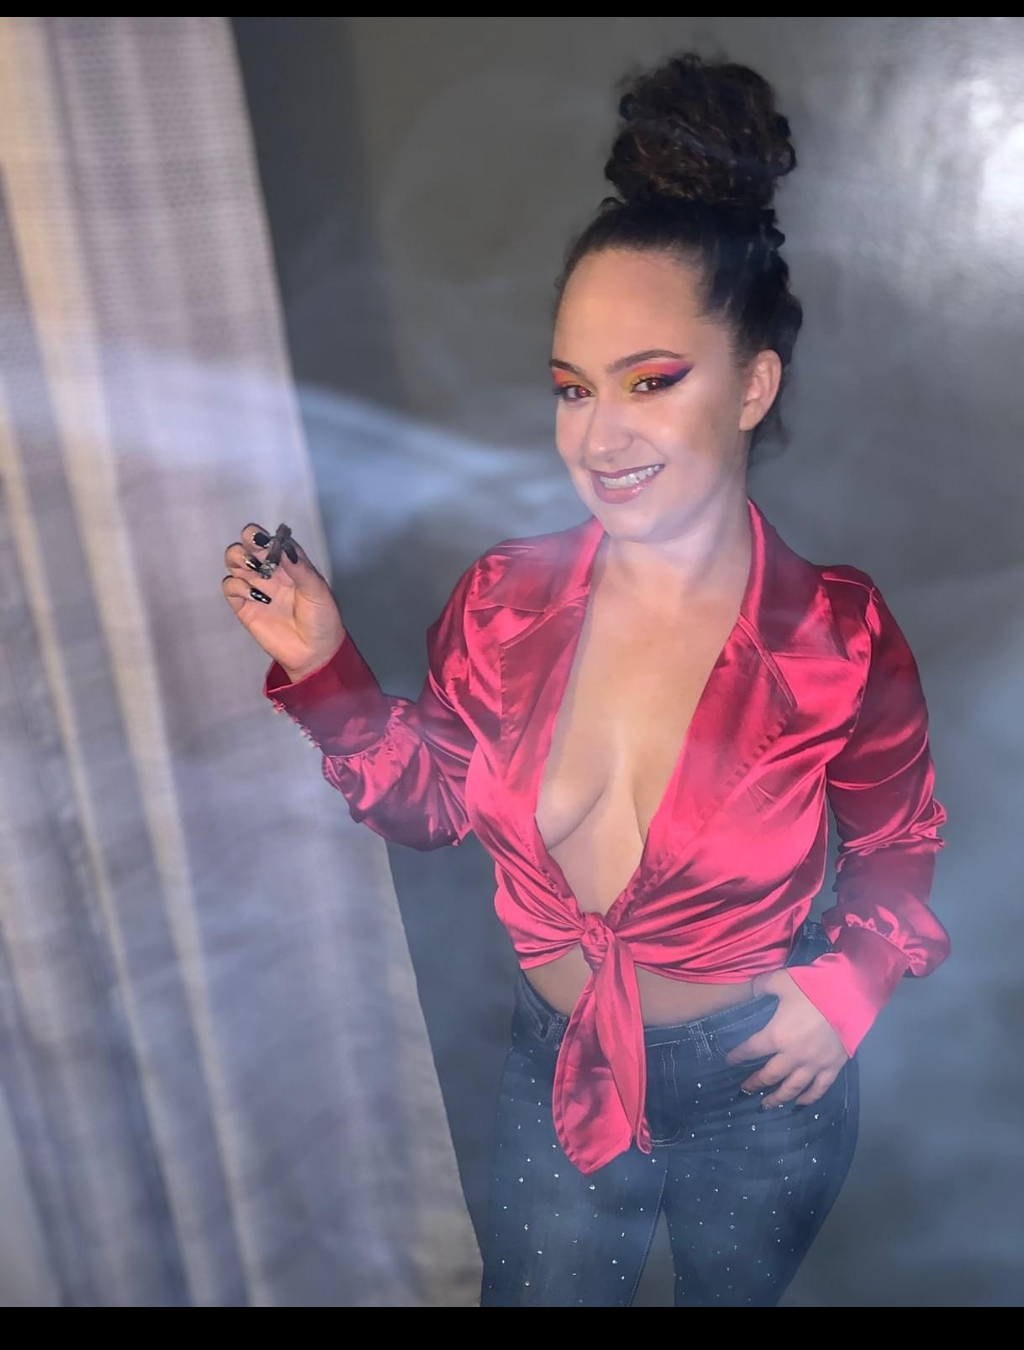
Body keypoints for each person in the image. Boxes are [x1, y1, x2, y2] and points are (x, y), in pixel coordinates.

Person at [222, 49, 950, 1307]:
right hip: (558, 1068)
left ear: (752, 384)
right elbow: (430, 805)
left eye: (650, 383)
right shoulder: (505, 605)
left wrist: (852, 986)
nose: (599, 436)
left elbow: (900, 841)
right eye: (572, 389)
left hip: (758, 1088)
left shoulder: (834, 636)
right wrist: (322, 667)